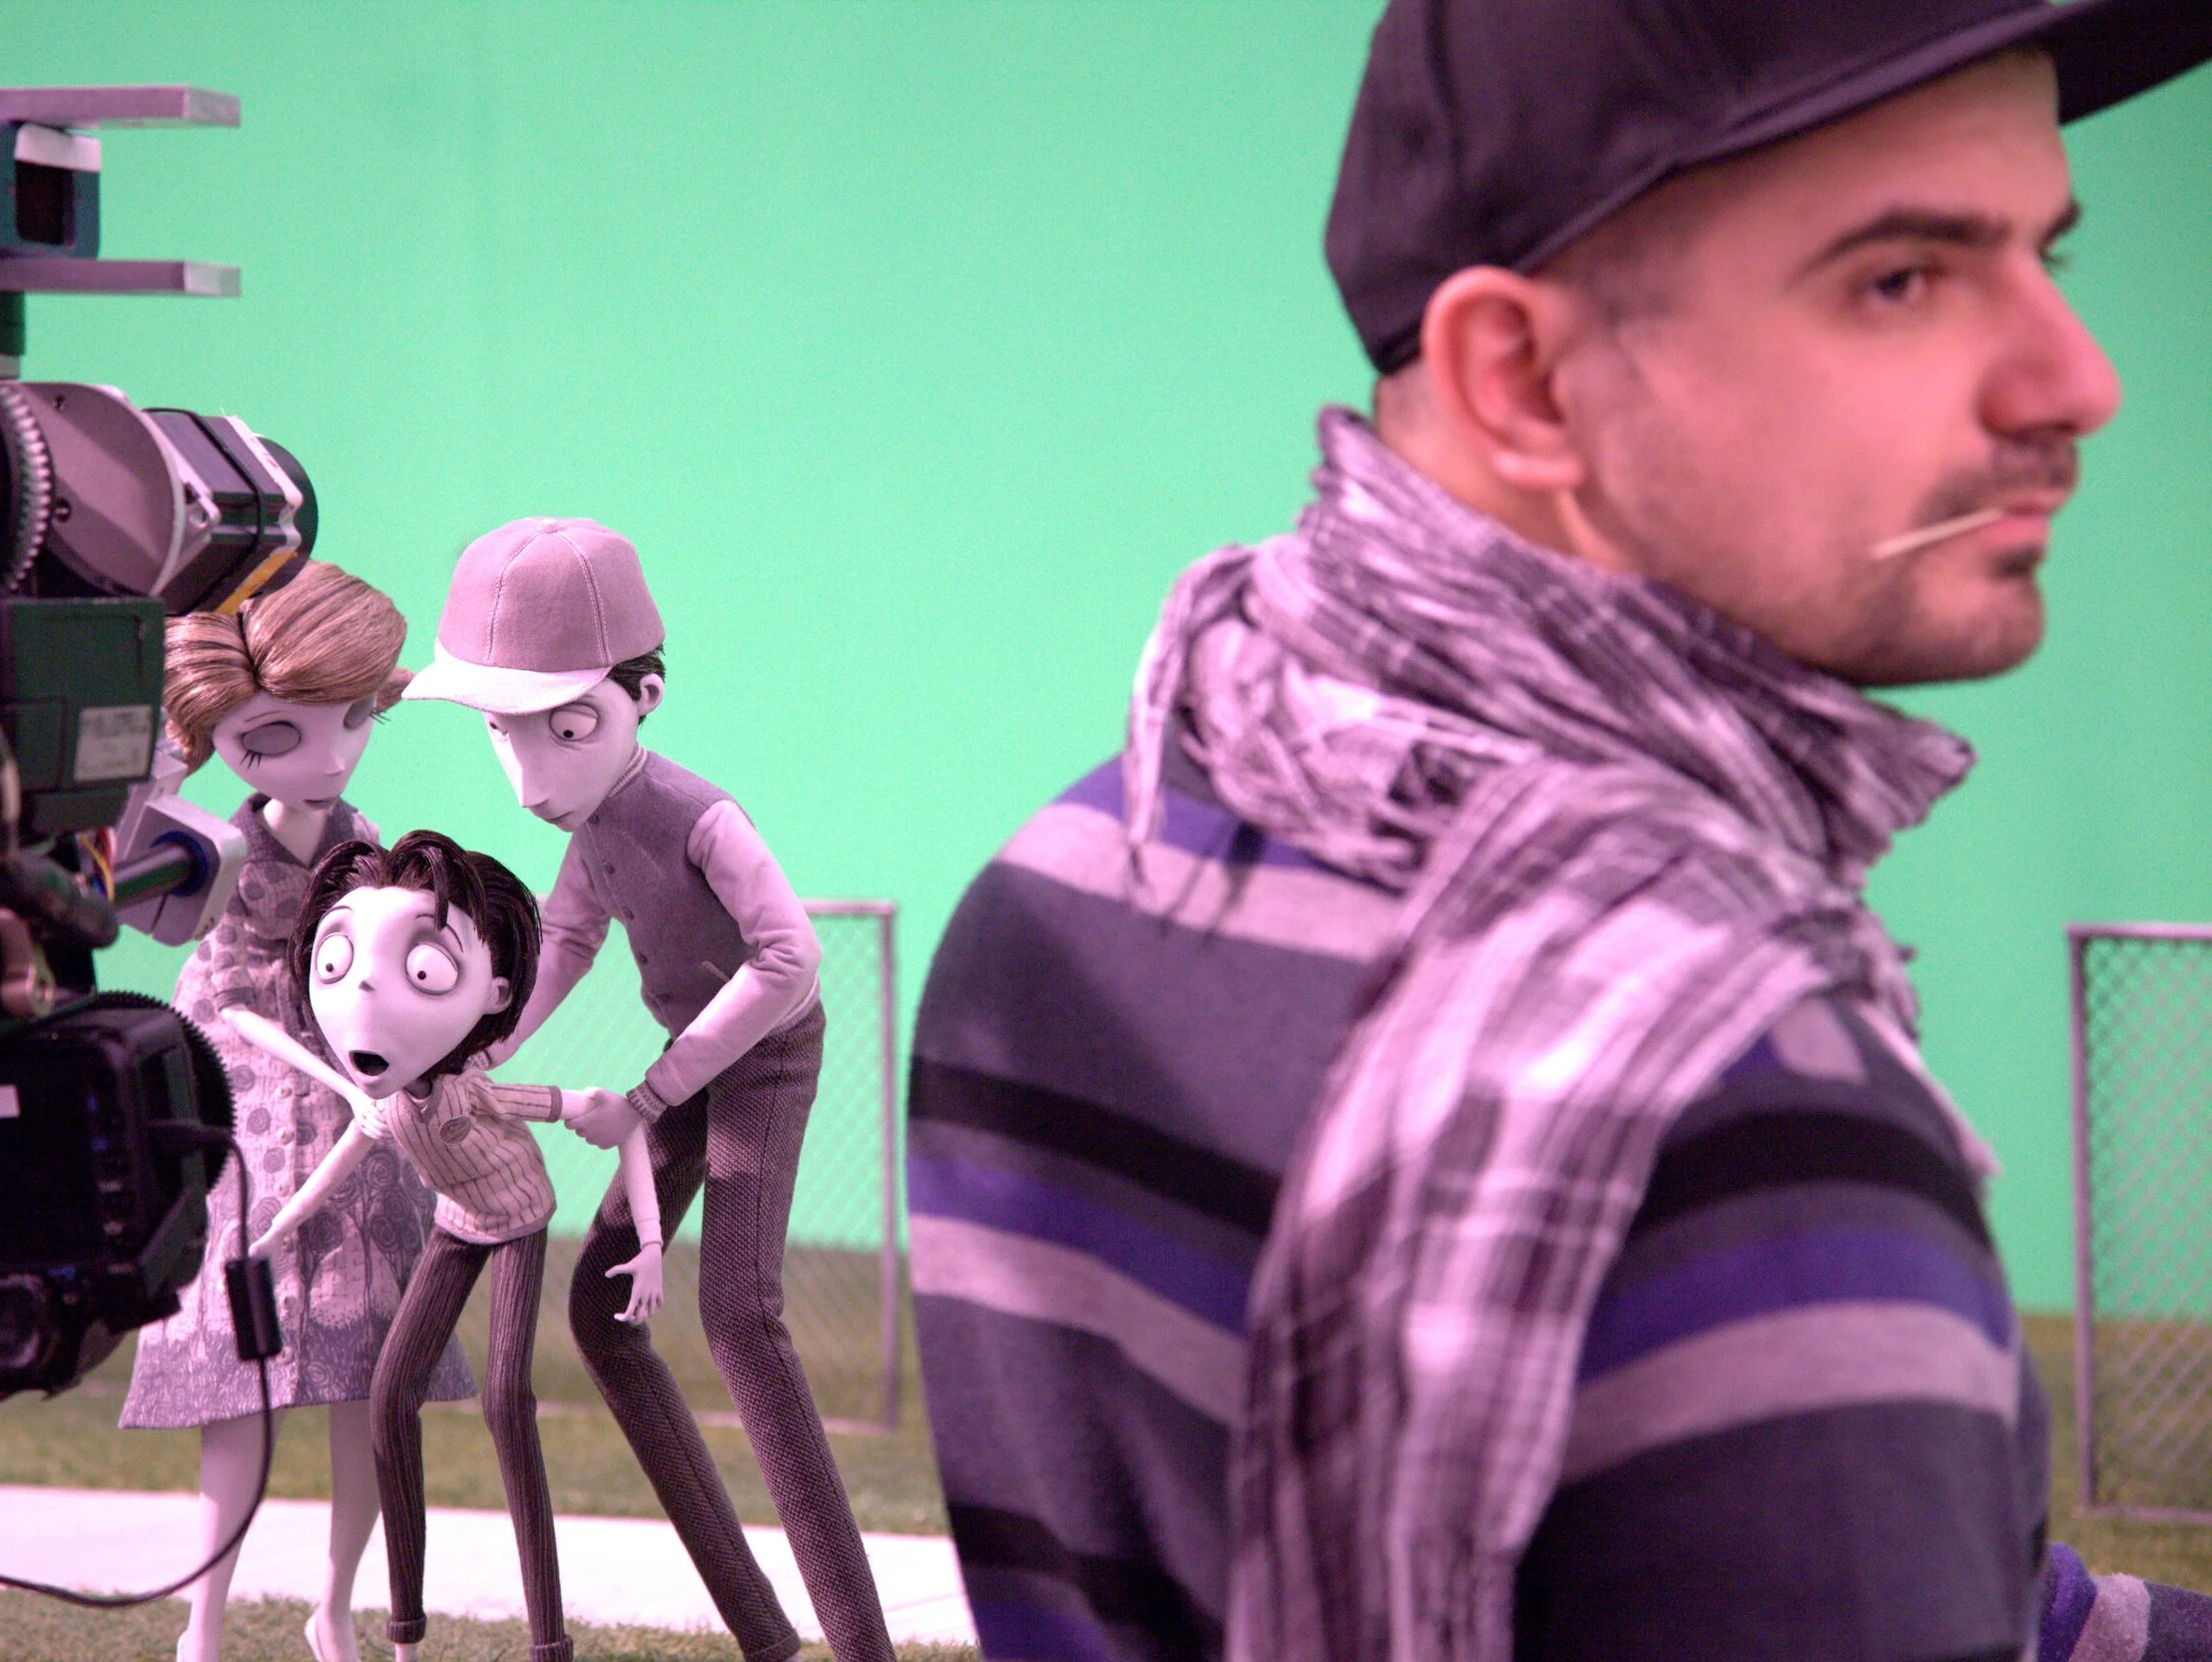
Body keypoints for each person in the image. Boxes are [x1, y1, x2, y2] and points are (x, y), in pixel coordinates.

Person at [907, 2, 2212, 1660]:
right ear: (1522, 380)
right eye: (1903, 278)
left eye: (2047, 252)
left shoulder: (1081, 881)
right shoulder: (1753, 1131)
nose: (2078, 381)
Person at [403, 516, 896, 1662]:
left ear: (644, 698)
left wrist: (653, 1090)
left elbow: (789, 961)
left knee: (739, 1316)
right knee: (602, 1314)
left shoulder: (696, 816)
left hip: (762, 1060)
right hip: (685, 1069)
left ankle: (862, 1646)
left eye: (569, 727)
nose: (533, 774)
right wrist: (482, 1049)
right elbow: (568, 939)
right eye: (502, 731)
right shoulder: (589, 829)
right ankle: (765, 1634)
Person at [119, 560, 475, 1662]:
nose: (328, 755)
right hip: (250, 1126)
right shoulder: (217, 853)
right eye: (276, 736)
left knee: (371, 1390)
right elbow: (221, 995)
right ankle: (203, 1624)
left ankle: (336, 1606)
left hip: (359, 1127)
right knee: (241, 1392)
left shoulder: (368, 844)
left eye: (354, 718)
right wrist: (327, 1072)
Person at [249, 828, 662, 1662]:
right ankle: (404, 1636)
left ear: (495, 991)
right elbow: (329, 1172)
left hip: (519, 1221)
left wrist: (650, 1240)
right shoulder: (386, 1105)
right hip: (456, 1224)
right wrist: (272, 1235)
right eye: (336, 962)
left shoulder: (481, 1094)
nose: (367, 987)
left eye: (426, 971)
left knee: (507, 1401)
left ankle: (548, 1642)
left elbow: (611, 1115)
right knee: (389, 1396)